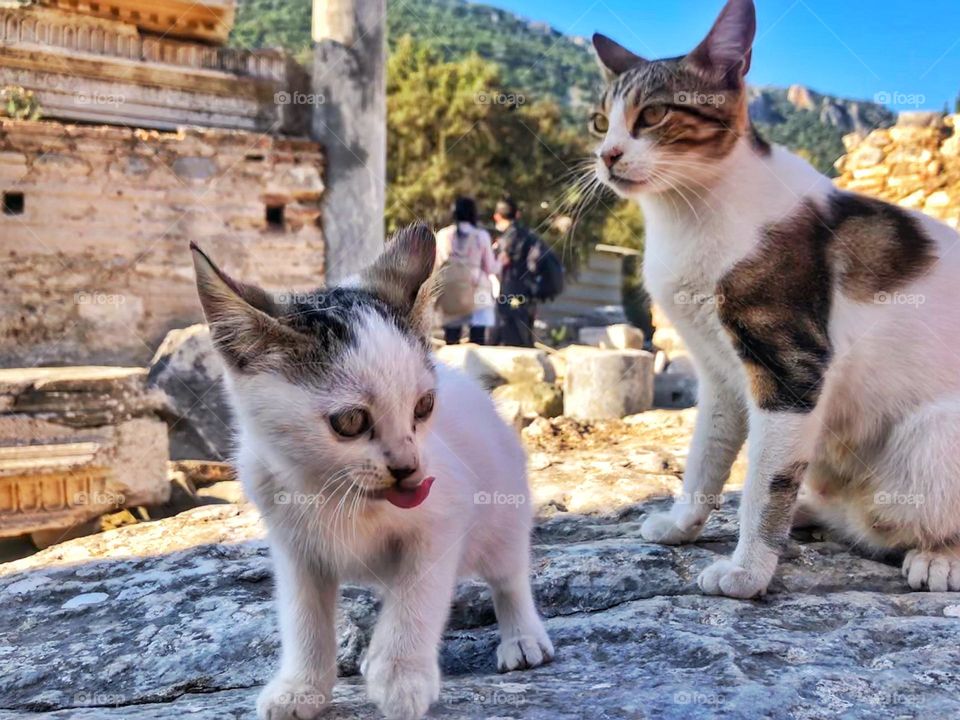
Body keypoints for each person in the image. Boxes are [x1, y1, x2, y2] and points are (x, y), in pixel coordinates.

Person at [435, 197, 499, 345]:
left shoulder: (443, 235)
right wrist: (501, 261)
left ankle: (451, 364)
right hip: (477, 288)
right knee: (478, 337)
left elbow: (437, 265)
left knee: (451, 337)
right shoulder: (481, 236)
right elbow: (490, 268)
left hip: (451, 289)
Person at [492, 194, 540, 347]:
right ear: (517, 214)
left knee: (511, 327)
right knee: (523, 328)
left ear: (497, 217)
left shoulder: (507, 238)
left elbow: (503, 262)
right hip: (528, 289)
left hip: (511, 289)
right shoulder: (529, 235)